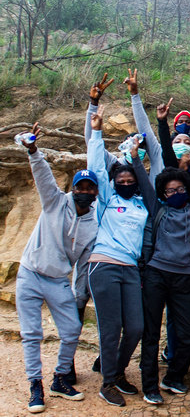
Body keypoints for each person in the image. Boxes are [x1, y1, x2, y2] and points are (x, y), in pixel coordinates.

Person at [17, 123, 98, 413]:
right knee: (31, 334)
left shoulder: (93, 226)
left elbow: (85, 264)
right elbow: (42, 176)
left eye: (90, 188)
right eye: (80, 186)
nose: (84, 191)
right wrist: (33, 150)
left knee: (72, 329)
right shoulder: (54, 202)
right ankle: (35, 385)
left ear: (96, 193)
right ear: (73, 188)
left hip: (58, 281)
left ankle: (59, 378)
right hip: (30, 274)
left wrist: (80, 293)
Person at [135, 144, 190, 405]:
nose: (176, 193)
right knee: (150, 333)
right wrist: (136, 160)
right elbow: (143, 182)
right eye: (170, 190)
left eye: (180, 189)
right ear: (163, 193)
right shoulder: (158, 209)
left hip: (185, 278)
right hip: (157, 275)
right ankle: (150, 385)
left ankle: (173, 376)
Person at [86, 106, 148, 407]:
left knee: (135, 327)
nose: (125, 183)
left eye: (129, 180)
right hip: (104, 266)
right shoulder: (107, 198)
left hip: (131, 270)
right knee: (110, 328)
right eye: (120, 181)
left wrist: (136, 157)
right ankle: (108, 382)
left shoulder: (141, 204)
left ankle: (117, 370)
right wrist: (96, 132)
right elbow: (97, 169)